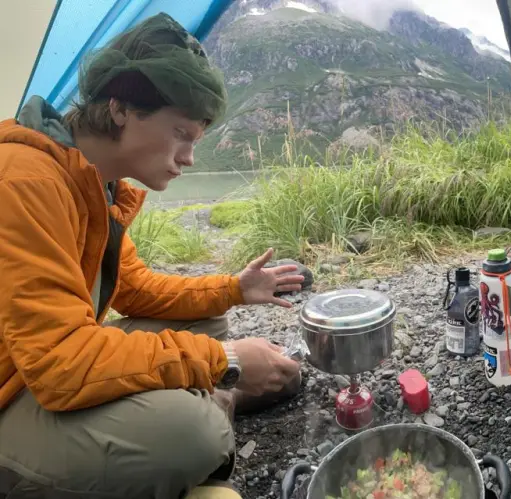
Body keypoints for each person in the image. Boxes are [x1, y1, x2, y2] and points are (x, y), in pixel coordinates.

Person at [0, 13, 307, 499]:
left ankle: (196, 407)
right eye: (181, 133)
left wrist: (234, 289)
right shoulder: (25, 180)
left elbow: (135, 289)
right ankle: (203, 414)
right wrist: (225, 362)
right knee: (195, 438)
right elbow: (59, 364)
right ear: (120, 107)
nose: (188, 157)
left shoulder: (91, 181)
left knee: (207, 320)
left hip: (42, 366)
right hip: (13, 393)